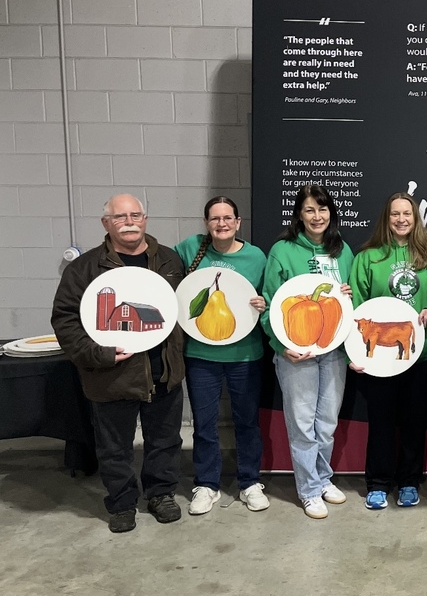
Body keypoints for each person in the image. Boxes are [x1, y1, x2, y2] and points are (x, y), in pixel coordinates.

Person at [51, 194, 185, 533]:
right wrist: (99, 354)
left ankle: (160, 493)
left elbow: (180, 314)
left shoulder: (168, 260)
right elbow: (65, 320)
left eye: (136, 214)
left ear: (145, 219)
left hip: (163, 371)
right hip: (111, 376)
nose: (129, 221)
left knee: (165, 440)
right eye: (120, 216)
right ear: (106, 223)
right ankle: (122, 503)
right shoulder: (84, 269)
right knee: (114, 447)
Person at [261, 184, 354, 520]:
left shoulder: (342, 250)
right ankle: (309, 489)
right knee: (301, 423)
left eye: (323, 209)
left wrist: (348, 292)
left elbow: (351, 302)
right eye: (310, 210)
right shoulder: (282, 251)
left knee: (326, 422)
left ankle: (323, 478)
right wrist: (281, 344)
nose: (317, 216)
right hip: (295, 353)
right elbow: (269, 305)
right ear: (299, 215)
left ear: (331, 213)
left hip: (333, 350)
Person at [175, 196, 269, 516]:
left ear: (238, 222)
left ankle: (249, 482)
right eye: (215, 219)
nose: (222, 224)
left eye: (228, 218)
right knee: (204, 423)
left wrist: (263, 303)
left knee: (246, 422)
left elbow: (269, 294)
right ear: (206, 224)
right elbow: (170, 281)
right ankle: (206, 484)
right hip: (201, 355)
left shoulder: (256, 256)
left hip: (246, 354)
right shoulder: (190, 248)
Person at [349, 192, 427, 510]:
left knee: (415, 422)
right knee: (381, 422)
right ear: (385, 219)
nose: (401, 219)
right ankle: (378, 483)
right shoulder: (367, 257)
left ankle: (410, 483)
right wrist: (355, 353)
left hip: (422, 355)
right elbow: (356, 308)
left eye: (407, 214)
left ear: (416, 218)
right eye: (394, 214)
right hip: (380, 359)